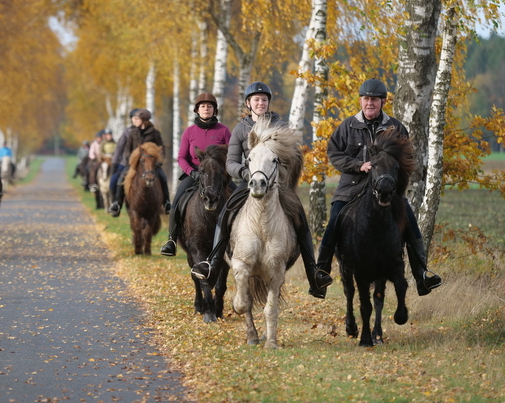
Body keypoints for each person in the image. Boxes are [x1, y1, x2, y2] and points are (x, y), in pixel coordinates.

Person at [190, 82, 333, 297]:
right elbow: (230, 163)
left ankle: (314, 274)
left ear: (268, 103)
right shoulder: (240, 129)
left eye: (264, 99)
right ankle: (212, 265)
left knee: (300, 217)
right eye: (256, 100)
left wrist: (280, 173)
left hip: (276, 185)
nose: (260, 103)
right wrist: (246, 173)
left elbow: (295, 157)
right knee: (225, 214)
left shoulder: (281, 127)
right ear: (248, 103)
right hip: (247, 184)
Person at [314, 78, 442, 297]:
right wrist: (358, 165)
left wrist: (391, 176)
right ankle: (320, 275)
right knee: (334, 222)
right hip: (352, 188)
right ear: (361, 101)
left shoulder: (396, 127)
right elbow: (334, 154)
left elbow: (407, 158)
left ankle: (422, 276)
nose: (369, 103)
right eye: (365, 99)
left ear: (383, 102)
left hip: (386, 190)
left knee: (410, 223)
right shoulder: (347, 126)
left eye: (374, 99)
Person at [160, 93, 232, 256]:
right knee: (177, 202)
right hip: (195, 175)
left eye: (209, 106)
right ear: (197, 110)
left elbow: (232, 154)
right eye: (203, 106)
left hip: (219, 177)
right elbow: (181, 157)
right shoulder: (189, 132)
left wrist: (225, 172)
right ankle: (171, 240)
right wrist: (192, 172)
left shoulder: (223, 130)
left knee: (238, 200)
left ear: (215, 110)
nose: (206, 109)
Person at [108, 109, 171, 216]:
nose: (134, 121)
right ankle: (117, 204)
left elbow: (161, 149)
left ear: (144, 120)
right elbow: (127, 149)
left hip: (151, 164)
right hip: (134, 164)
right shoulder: (133, 132)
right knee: (121, 178)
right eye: (135, 118)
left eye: (137, 119)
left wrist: (158, 162)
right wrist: (130, 160)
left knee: (163, 178)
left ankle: (167, 203)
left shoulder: (155, 133)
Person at [109, 108, 140, 199]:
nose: (136, 120)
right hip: (126, 162)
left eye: (139, 118)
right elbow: (119, 147)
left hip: (143, 162)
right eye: (135, 118)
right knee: (114, 181)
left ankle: (166, 202)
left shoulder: (147, 131)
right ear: (131, 119)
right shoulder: (127, 131)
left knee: (161, 178)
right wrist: (115, 163)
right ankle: (115, 202)